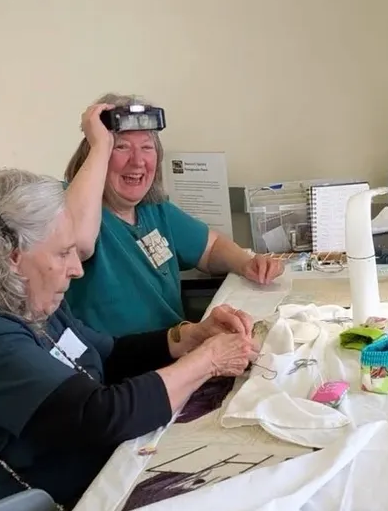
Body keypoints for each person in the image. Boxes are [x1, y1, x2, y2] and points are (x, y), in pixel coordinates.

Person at [0, 168, 257, 511]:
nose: (77, 269)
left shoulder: (26, 301)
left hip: (100, 473)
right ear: (12, 256)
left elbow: (106, 352)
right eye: (63, 253)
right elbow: (101, 417)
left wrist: (185, 337)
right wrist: (207, 361)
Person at [62, 93, 285, 338]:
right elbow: (76, 242)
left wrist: (245, 262)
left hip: (175, 347)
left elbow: (210, 247)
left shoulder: (154, 209)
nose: (137, 161)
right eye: (121, 147)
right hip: (117, 357)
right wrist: (98, 146)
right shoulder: (69, 205)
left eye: (147, 147)